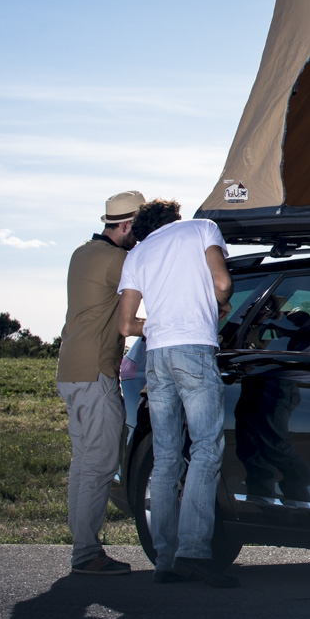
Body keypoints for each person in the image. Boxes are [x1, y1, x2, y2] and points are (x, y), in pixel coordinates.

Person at [117, 199, 238, 588]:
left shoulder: (138, 253)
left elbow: (125, 324)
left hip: (157, 356)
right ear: (175, 218)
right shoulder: (201, 229)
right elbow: (222, 284)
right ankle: (195, 553)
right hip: (194, 350)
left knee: (166, 457)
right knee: (205, 448)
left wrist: (158, 326)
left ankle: (164, 561)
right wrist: (217, 307)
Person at [56, 190, 144, 576]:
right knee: (101, 464)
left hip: (72, 370)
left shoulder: (83, 253)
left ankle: (81, 546)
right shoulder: (117, 260)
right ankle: (86, 554)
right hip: (95, 372)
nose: (139, 238)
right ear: (126, 226)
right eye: (137, 230)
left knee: (84, 463)